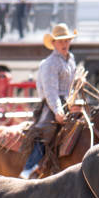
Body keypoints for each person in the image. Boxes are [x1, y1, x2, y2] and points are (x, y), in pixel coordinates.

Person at [19, 23, 77, 179]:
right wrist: (57, 110)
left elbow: (71, 85)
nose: (64, 44)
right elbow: (50, 91)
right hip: (52, 105)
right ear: (53, 44)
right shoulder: (50, 63)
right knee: (46, 131)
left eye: (66, 41)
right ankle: (29, 168)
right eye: (61, 41)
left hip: (68, 103)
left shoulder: (71, 60)